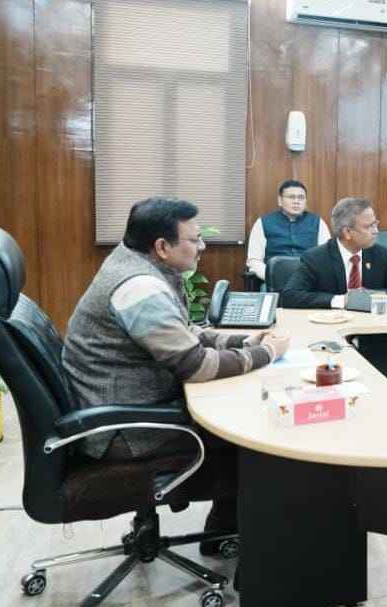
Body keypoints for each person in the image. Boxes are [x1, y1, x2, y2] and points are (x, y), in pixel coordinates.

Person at [63, 198, 290, 548]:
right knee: (258, 436)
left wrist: (243, 341)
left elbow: (184, 331)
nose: (203, 246)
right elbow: (196, 366)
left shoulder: (133, 262)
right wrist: (266, 354)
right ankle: (238, 541)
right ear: (162, 247)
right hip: (127, 430)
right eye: (194, 239)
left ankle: (222, 532)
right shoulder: (139, 288)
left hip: (125, 406)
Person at [280, 197, 387, 309]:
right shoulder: (316, 258)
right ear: (347, 232)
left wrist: (364, 300)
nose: (376, 231)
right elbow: (290, 296)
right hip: (332, 323)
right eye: (369, 227)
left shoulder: (380, 254)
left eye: (375, 224)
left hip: (370, 322)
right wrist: (341, 301)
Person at [246, 180, 330, 282]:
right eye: (291, 197)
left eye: (301, 197)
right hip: (274, 282)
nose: (296, 201)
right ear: (280, 201)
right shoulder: (263, 222)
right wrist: (272, 277)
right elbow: (254, 261)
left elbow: (326, 258)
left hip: (308, 281)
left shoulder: (318, 222)